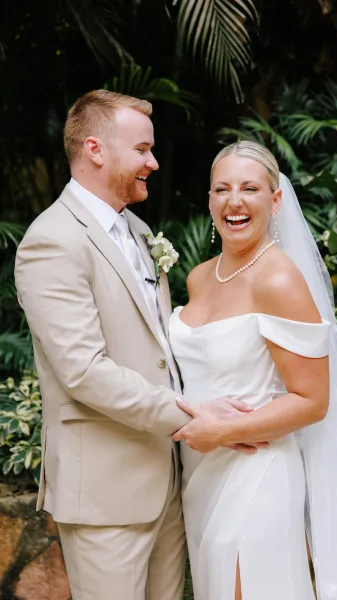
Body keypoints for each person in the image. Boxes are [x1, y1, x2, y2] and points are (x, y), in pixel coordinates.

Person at [14, 91, 259, 600]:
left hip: (164, 477)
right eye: (142, 149)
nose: (154, 161)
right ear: (95, 149)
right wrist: (191, 415)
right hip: (106, 489)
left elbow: (157, 350)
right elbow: (84, 372)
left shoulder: (138, 230)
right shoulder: (52, 240)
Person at [169, 141, 337, 600]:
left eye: (250, 188)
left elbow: (312, 401)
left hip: (258, 470)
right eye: (222, 189)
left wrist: (221, 431)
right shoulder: (198, 277)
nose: (235, 201)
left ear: (275, 201)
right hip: (200, 473)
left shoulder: (278, 279)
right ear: (210, 201)